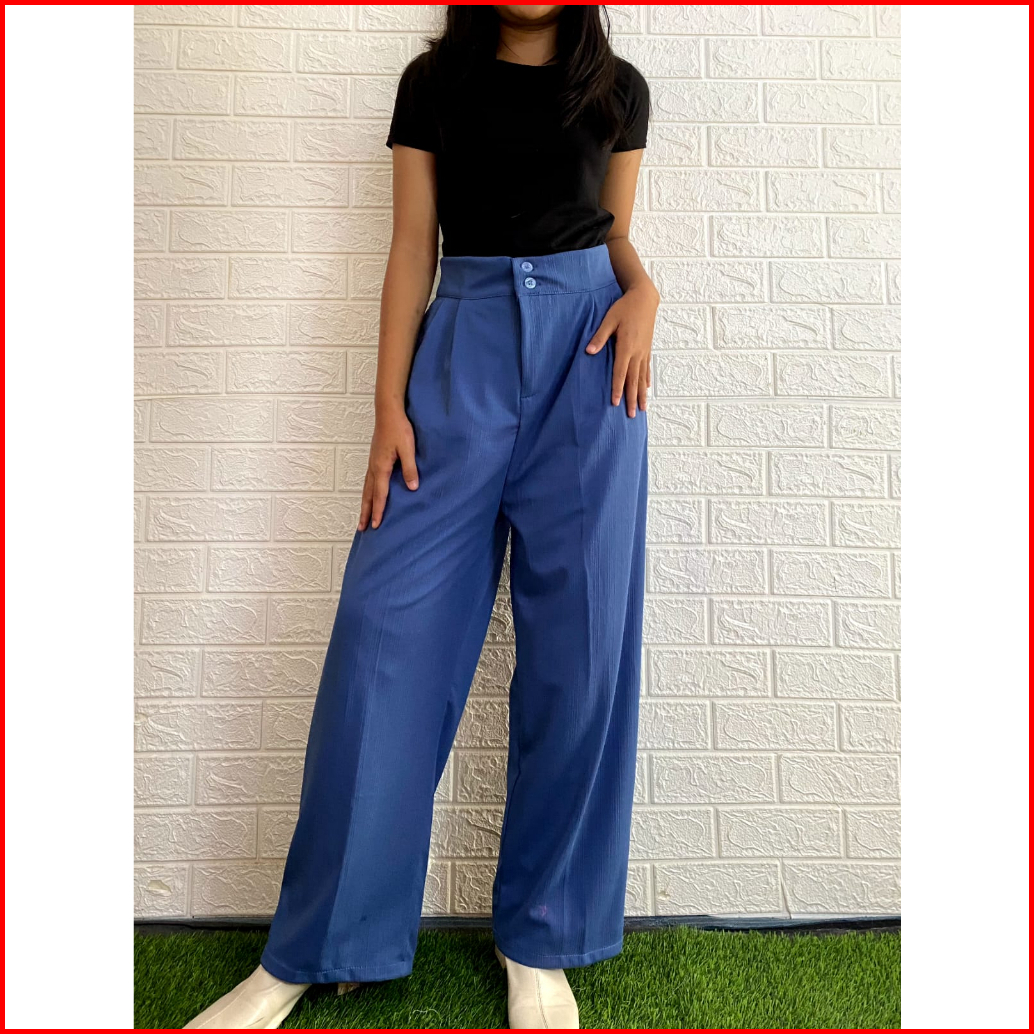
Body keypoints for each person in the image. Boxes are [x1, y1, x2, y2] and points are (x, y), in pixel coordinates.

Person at [184, 5, 655, 1029]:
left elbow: (612, 233)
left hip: (591, 365)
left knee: (582, 656)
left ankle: (540, 938)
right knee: (380, 642)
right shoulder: (433, 83)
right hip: (459, 362)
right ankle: (316, 942)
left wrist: (644, 289)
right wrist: (386, 409)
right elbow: (412, 248)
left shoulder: (617, 90)